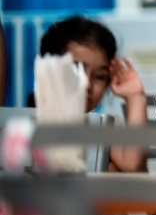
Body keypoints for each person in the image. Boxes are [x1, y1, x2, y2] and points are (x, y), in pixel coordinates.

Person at [38, 15, 147, 172]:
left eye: (100, 77)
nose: (87, 84)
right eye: (75, 69)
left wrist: (136, 97)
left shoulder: (101, 129)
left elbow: (133, 166)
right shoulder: (20, 125)